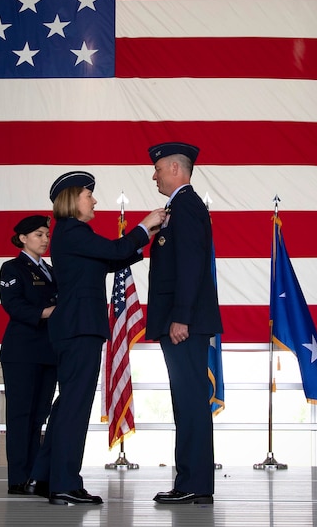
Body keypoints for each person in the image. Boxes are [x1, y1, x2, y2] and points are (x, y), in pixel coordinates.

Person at [34, 170, 166, 506]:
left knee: (67, 405)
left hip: (75, 328)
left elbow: (112, 257)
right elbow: (115, 248)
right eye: (88, 195)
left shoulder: (71, 235)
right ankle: (64, 483)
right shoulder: (73, 231)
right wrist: (144, 224)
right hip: (79, 328)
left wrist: (146, 234)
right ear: (72, 200)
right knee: (74, 408)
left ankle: (45, 476)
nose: (94, 200)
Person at [146, 143, 223, 504]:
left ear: (175, 168)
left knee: (190, 401)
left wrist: (180, 316)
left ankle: (193, 483)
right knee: (185, 401)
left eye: (158, 169)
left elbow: (191, 266)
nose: (154, 175)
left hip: (184, 323)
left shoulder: (187, 207)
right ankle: (192, 481)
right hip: (182, 320)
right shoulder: (178, 208)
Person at [0, 215, 58, 495]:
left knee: (38, 417)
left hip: (48, 351)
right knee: (21, 416)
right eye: (38, 234)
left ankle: (35, 476)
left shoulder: (50, 270)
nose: (45, 239)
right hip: (21, 352)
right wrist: (47, 312)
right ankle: (18, 479)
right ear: (22, 238)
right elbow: (13, 305)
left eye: (46, 234)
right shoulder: (12, 268)